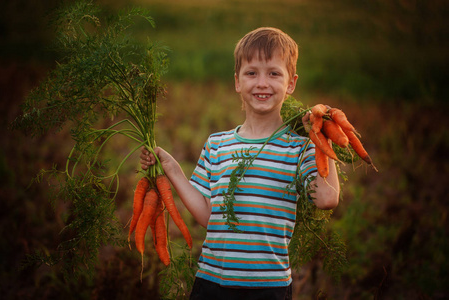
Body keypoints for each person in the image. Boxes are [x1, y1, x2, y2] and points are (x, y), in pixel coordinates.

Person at [140, 27, 340, 300]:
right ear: (237, 82)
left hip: (268, 288)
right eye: (251, 73)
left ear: (290, 83)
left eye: (273, 73)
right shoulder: (217, 144)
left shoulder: (298, 147)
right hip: (211, 282)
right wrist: (172, 169)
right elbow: (207, 216)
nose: (262, 83)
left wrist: (321, 136)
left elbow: (327, 199)